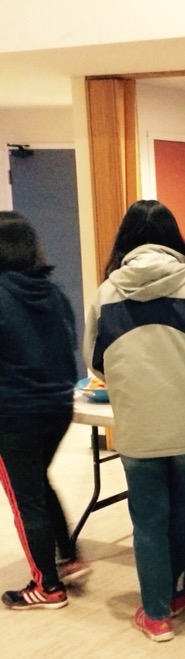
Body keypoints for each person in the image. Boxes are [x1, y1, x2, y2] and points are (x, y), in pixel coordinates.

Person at [84, 200, 185, 642]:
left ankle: (156, 615)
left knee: (148, 518)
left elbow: (94, 361)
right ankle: (176, 591)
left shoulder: (106, 293)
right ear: (174, 239)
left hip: (138, 424)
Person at [0, 212, 87, 609]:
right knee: (37, 481)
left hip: (14, 415)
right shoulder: (51, 291)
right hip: (58, 406)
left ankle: (46, 586)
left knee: (26, 499)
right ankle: (68, 556)